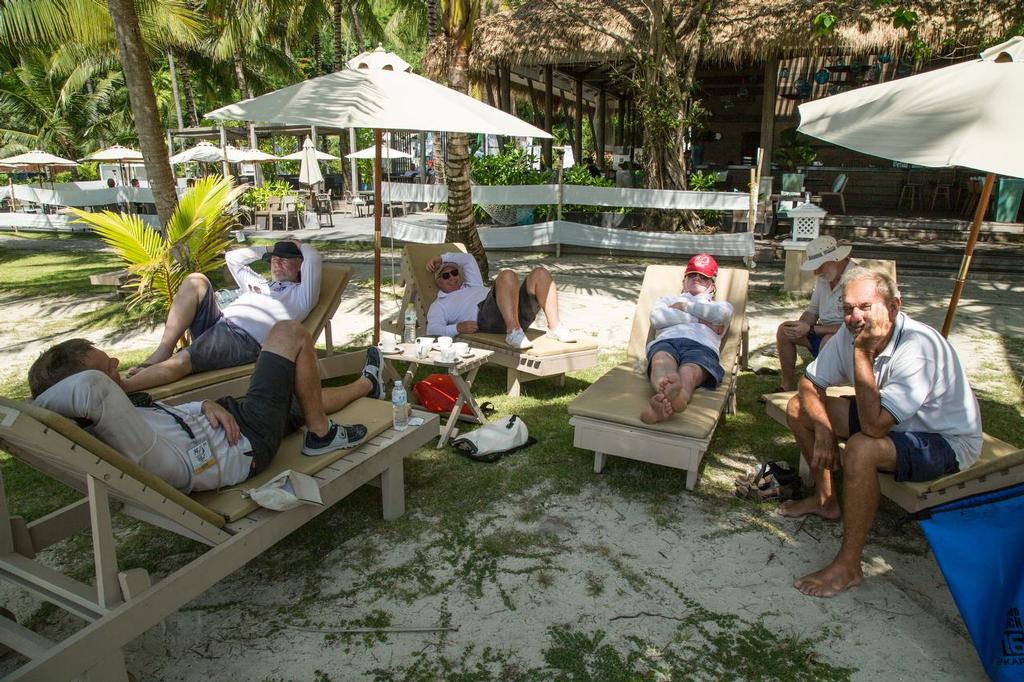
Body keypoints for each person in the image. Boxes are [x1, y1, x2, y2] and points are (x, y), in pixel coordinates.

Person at [780, 267, 982, 597]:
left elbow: (873, 427)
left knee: (862, 447)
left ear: (893, 306)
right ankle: (825, 499)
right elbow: (809, 381)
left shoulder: (918, 346)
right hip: (891, 417)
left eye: (865, 306)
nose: (854, 317)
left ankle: (848, 565)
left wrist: (862, 352)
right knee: (798, 408)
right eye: (847, 308)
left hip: (943, 439)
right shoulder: (851, 332)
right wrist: (825, 430)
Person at [28, 323, 387, 493]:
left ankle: (369, 383)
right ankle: (322, 435)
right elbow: (90, 389)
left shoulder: (120, 420)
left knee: (305, 399)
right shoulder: (131, 442)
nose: (119, 364)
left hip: (232, 421)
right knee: (289, 333)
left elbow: (168, 423)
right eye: (110, 369)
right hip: (248, 442)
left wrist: (204, 403)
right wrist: (29, 406)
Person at [124, 240, 321, 393]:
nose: (277, 263)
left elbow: (313, 258)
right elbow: (233, 258)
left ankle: (126, 386)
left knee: (183, 361)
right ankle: (164, 350)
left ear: (300, 266)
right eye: (274, 259)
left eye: (285, 259)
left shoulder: (302, 296)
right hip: (218, 322)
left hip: (241, 339)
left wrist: (297, 244)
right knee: (196, 280)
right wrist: (269, 248)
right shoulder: (260, 284)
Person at [640, 254, 733, 424]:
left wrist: (685, 307)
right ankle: (671, 396)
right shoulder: (666, 300)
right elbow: (657, 319)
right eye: (691, 274)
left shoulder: (720, 306)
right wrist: (700, 320)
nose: (696, 278)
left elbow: (722, 315)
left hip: (701, 347)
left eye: (703, 277)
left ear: (712, 286)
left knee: (689, 370)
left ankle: (675, 398)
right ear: (683, 281)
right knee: (661, 361)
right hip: (667, 342)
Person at [424, 251, 577, 350]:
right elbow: (432, 330)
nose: (452, 277)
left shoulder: (472, 283)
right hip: (487, 318)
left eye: (454, 272)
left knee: (540, 273)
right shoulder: (440, 304)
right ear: (437, 281)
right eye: (445, 276)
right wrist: (457, 328)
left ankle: (555, 327)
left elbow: (468, 259)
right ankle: (513, 332)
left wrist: (442, 258)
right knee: (507, 275)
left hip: (513, 311)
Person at [775, 236, 852, 391]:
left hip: (848, 339)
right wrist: (800, 325)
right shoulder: (825, 277)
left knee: (829, 341)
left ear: (835, 259)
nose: (816, 272)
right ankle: (787, 386)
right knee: (784, 330)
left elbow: (853, 324)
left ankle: (823, 391)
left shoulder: (855, 278)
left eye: (820, 266)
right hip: (822, 332)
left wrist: (811, 329)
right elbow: (812, 311)